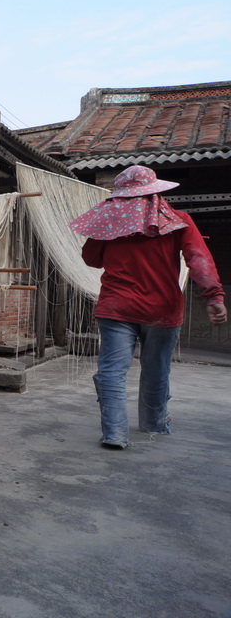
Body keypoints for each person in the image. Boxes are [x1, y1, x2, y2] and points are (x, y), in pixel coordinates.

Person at [69, 165, 227, 449]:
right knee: (156, 370)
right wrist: (214, 297)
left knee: (112, 372)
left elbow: (92, 260)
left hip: (116, 307)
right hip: (162, 310)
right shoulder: (179, 220)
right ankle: (153, 424)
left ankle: (115, 434)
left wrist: (109, 231)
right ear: (156, 193)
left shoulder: (110, 225)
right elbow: (198, 259)